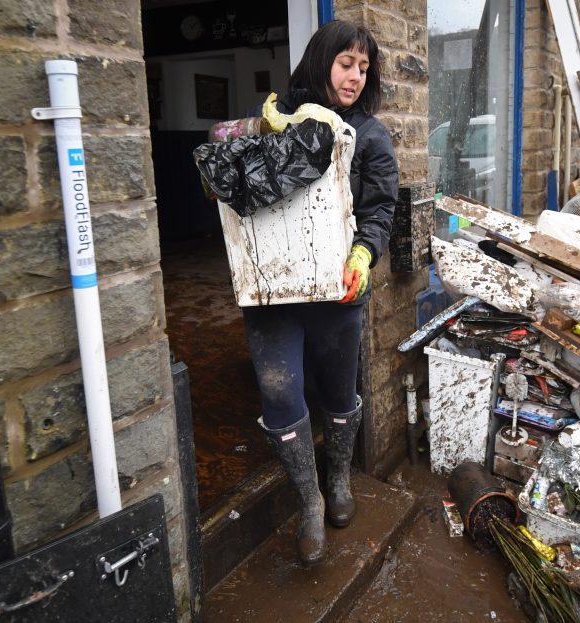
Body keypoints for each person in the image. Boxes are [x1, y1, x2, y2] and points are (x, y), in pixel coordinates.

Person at [244, 20, 398, 567]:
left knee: (337, 392)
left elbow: (380, 211)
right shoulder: (273, 124)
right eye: (345, 63)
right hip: (273, 295)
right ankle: (308, 503)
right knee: (281, 395)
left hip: (337, 291)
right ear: (320, 60)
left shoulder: (370, 136)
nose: (355, 76)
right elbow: (242, 199)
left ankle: (336, 478)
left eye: (364, 67)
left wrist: (364, 253)